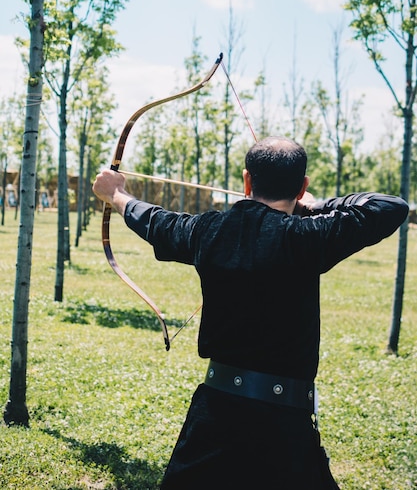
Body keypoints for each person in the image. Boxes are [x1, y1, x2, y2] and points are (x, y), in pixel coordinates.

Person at [92, 135, 408, 490]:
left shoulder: (206, 230)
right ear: (302, 187)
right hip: (285, 424)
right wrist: (318, 207)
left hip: (215, 416)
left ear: (247, 180)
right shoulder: (309, 235)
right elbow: (390, 206)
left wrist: (116, 194)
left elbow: (155, 221)